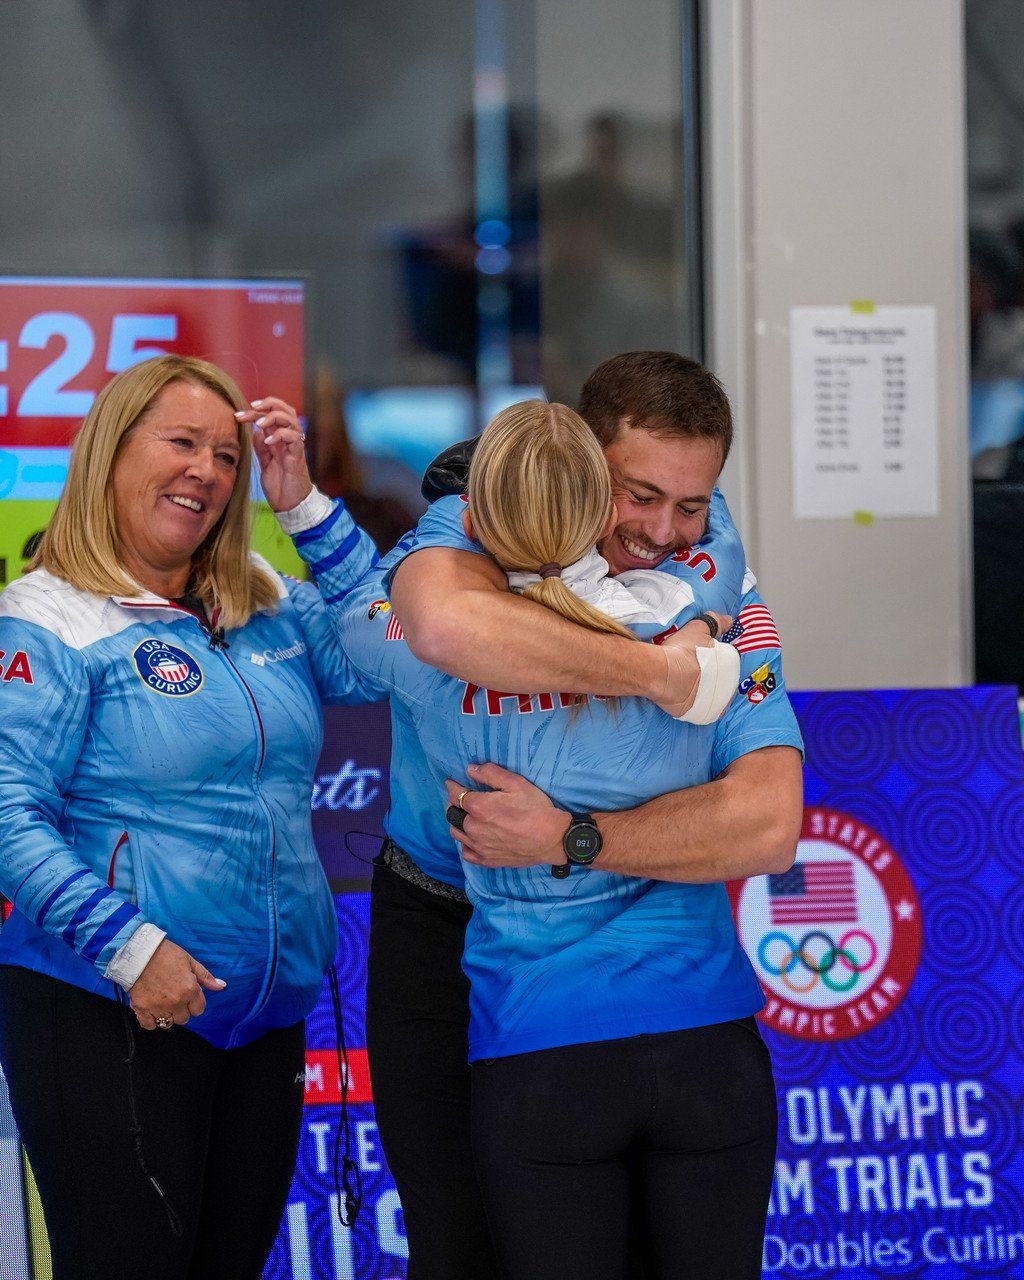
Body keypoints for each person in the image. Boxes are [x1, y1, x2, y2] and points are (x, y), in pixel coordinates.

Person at [277, 351, 803, 1276]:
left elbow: (767, 824)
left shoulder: (717, 578)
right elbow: (442, 626)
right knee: (457, 1240)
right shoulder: (481, 513)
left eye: (691, 504)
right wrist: (666, 670)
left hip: (600, 986)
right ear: (585, 462)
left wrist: (570, 838)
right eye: (641, 495)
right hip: (439, 917)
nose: (663, 531)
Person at [0, 356, 378, 1280]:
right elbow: (7, 810)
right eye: (180, 442)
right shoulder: (48, 615)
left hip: (260, 1021)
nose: (205, 471)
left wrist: (305, 511)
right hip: (108, 1008)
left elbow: (377, 660)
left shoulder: (259, 593)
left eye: (225, 455)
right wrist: (131, 950)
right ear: (111, 452)